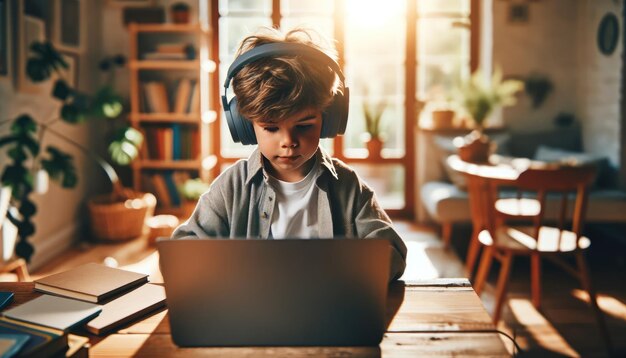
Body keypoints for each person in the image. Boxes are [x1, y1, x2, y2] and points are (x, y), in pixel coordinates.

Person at [172, 27, 407, 281]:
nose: (288, 142)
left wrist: (350, 268)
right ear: (244, 125)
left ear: (329, 119)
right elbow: (183, 253)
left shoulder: (348, 186)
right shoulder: (232, 187)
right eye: (271, 128)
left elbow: (392, 253)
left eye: (304, 126)